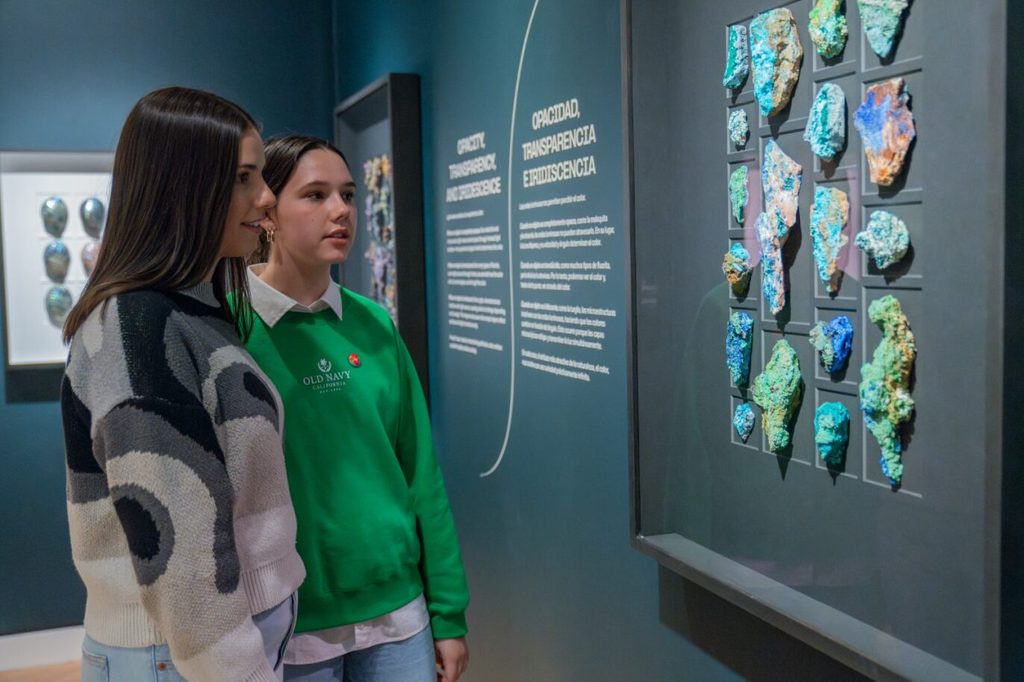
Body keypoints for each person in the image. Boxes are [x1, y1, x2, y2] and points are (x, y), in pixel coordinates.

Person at [61, 87, 305, 681]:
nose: (266, 197)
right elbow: (180, 553)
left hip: (201, 647)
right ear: (184, 186)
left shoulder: (191, 311)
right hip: (182, 654)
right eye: (243, 178)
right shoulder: (137, 327)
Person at [242, 134, 469, 682]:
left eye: (347, 194)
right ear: (269, 212)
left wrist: (448, 613)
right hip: (288, 623)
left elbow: (421, 473)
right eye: (315, 195)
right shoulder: (231, 330)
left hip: (398, 616)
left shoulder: (375, 324)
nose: (341, 210)